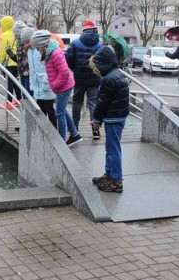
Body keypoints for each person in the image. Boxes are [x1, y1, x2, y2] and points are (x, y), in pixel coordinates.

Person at [90, 46, 130, 193]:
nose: (96, 69)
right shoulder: (117, 74)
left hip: (113, 118)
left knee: (113, 149)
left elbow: (102, 102)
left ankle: (116, 180)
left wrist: (96, 119)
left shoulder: (108, 79)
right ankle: (110, 174)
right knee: (111, 148)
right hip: (118, 116)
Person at [31, 30, 82, 146]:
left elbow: (64, 72)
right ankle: (74, 134)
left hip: (63, 87)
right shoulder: (49, 52)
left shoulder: (55, 53)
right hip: (61, 86)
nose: (37, 50)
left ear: (43, 44)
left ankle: (61, 141)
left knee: (59, 113)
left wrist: (54, 84)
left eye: (38, 47)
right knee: (62, 110)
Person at [65, 20, 102, 139]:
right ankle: (95, 130)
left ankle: (74, 129)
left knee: (77, 102)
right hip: (95, 79)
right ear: (95, 30)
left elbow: (68, 59)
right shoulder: (100, 45)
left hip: (79, 78)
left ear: (84, 31)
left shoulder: (75, 43)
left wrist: (74, 68)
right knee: (93, 103)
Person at [26, 27, 56, 128]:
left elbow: (48, 68)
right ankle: (43, 130)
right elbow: (32, 69)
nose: (25, 45)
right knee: (41, 109)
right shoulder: (30, 52)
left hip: (45, 84)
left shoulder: (41, 51)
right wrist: (32, 83)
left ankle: (54, 130)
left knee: (49, 108)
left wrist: (46, 83)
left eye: (27, 42)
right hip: (37, 85)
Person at [0, 16, 21, 109]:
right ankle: (19, 99)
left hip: (9, 62)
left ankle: (9, 102)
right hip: (17, 61)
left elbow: (3, 51)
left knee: (9, 83)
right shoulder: (15, 33)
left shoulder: (4, 35)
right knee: (16, 82)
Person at [6, 21, 31, 97]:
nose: (15, 36)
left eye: (16, 34)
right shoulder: (19, 45)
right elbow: (19, 60)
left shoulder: (27, 45)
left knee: (27, 93)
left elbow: (26, 60)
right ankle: (25, 107)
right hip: (22, 72)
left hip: (28, 72)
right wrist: (11, 54)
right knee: (24, 92)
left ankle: (28, 107)